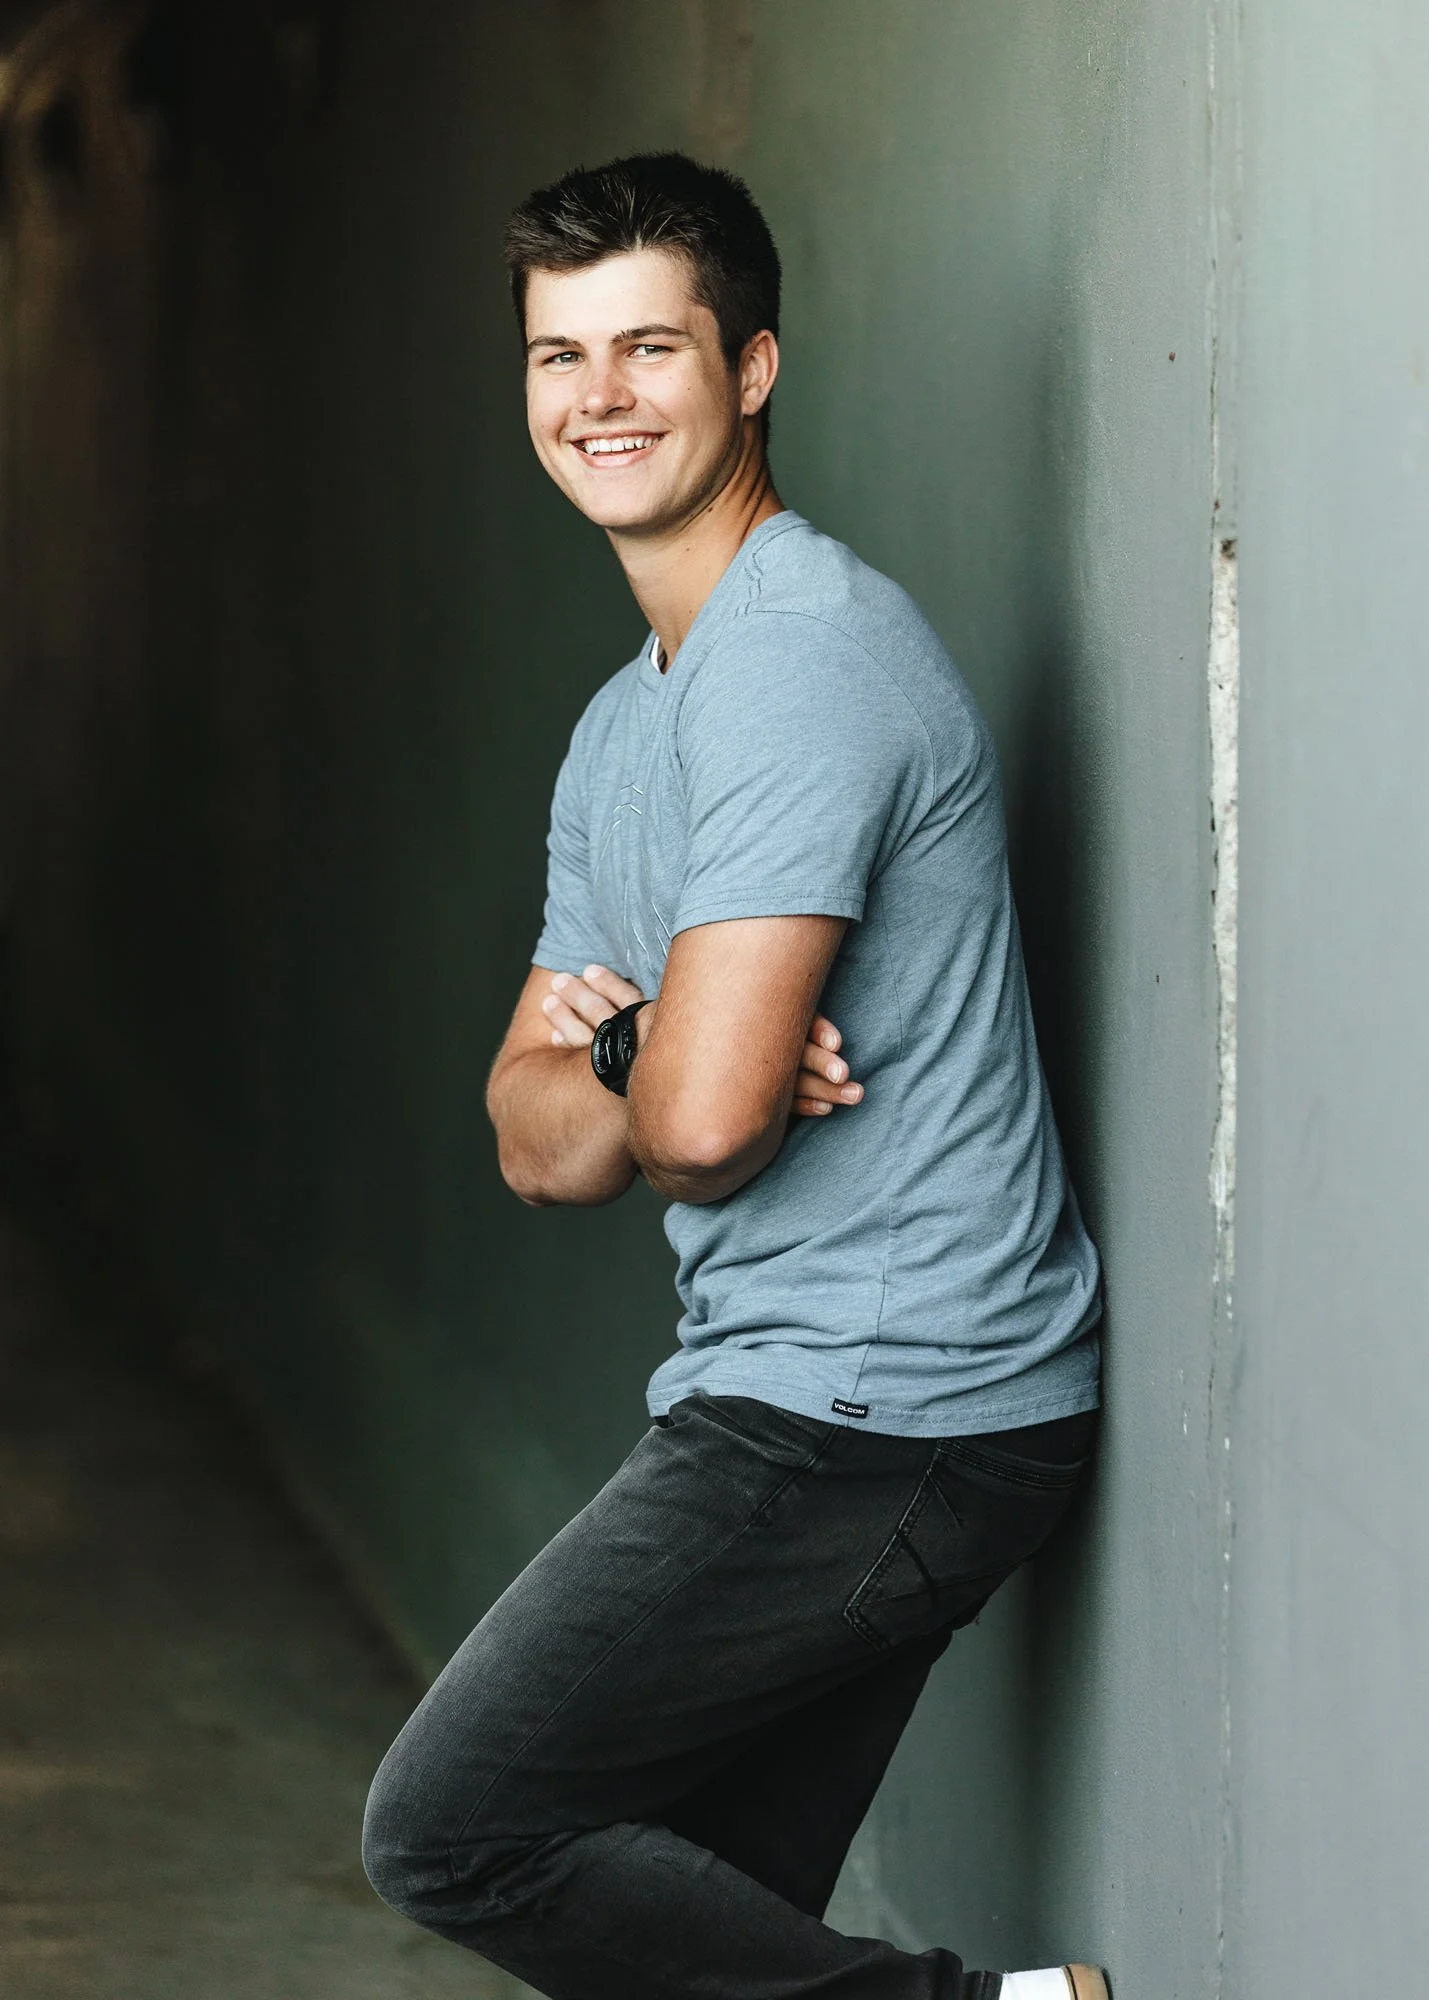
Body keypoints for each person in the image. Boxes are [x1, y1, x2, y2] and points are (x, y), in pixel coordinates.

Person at [362, 151, 1108, 2000]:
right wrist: (646, 1049)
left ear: (753, 368)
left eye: (648, 347)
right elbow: (542, 1139)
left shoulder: (797, 656)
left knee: (452, 1827)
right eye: (558, 357)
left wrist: (659, 1076)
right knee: (693, 1935)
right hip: (815, 1389)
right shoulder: (630, 721)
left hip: (892, 1401)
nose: (597, 397)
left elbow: (695, 1137)